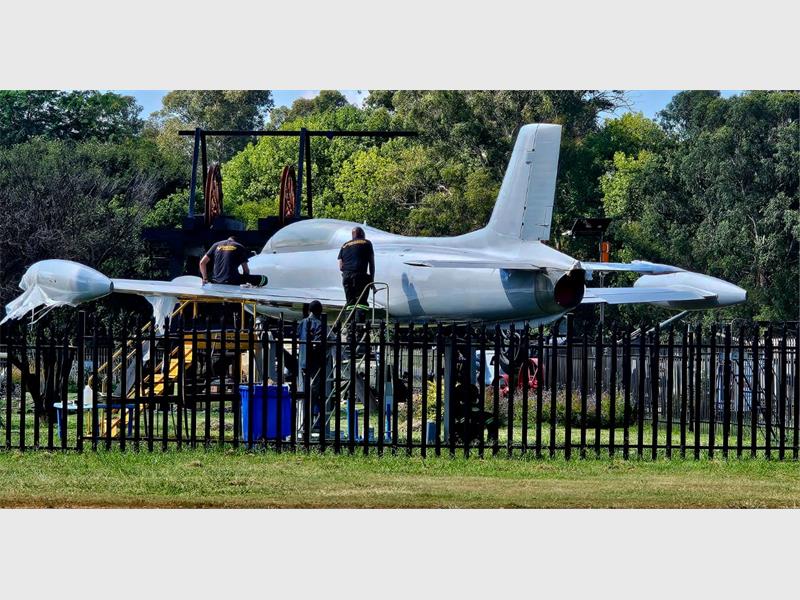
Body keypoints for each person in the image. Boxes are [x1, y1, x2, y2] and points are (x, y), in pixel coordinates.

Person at [199, 236, 267, 287]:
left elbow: (202, 263)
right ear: (236, 241)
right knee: (264, 279)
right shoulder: (239, 246)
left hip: (216, 281)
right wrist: (246, 281)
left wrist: (205, 278)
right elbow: (245, 270)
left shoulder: (216, 245)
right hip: (232, 281)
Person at [297, 300, 325, 429]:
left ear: (309, 310)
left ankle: (304, 419)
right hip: (315, 362)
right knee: (315, 391)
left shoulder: (302, 323)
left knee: (304, 391)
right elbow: (318, 343)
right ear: (320, 311)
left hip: (303, 361)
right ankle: (314, 419)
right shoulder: (319, 324)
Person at [337, 226, 375, 308]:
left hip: (346, 277)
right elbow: (371, 263)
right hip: (360, 277)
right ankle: (359, 320)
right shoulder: (367, 243)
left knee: (350, 303)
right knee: (361, 304)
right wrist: (372, 281)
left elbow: (341, 267)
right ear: (362, 234)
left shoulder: (344, 245)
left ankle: (350, 320)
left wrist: (348, 274)